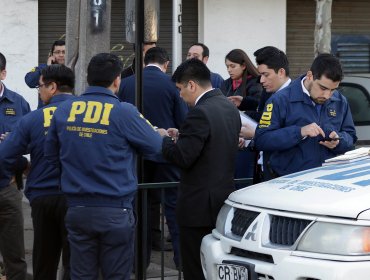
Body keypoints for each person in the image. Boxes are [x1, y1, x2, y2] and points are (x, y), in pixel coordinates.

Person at [44, 53, 167, 280]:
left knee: (81, 275)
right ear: (117, 80)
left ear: (88, 78)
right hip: (115, 209)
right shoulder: (124, 111)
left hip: (77, 207)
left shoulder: (65, 110)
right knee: (116, 275)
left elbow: (51, 156)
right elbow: (157, 147)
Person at [162, 58, 241, 280]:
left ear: (192, 85)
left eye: (180, 89)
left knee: (195, 267)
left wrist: (163, 140)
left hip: (197, 206)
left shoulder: (200, 112)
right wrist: (182, 135)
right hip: (221, 201)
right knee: (214, 268)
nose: (179, 95)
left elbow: (183, 157)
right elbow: (211, 145)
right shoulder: (228, 107)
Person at [0, 64, 75, 280]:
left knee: (44, 261)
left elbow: (4, 154)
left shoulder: (33, 118)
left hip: (43, 196)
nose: (39, 92)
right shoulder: (86, 114)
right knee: (75, 261)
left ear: (52, 87)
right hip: (77, 195)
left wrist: (22, 168)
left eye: (40, 86)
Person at [119, 46, 188, 268]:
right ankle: (181, 261)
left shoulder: (126, 83)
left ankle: (138, 263)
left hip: (136, 157)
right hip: (166, 154)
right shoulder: (172, 85)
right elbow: (183, 121)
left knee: (140, 210)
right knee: (174, 209)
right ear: (166, 63)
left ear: (144, 62)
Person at [255, 53, 357, 177]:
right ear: (310, 76)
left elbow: (351, 137)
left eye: (333, 90)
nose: (327, 95)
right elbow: (261, 140)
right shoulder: (280, 100)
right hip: (289, 183)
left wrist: (339, 141)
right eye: (323, 88)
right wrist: (299, 132)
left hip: (328, 181)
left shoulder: (340, 101)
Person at [234, 46, 291, 181]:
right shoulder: (271, 93)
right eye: (260, 75)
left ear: (281, 72)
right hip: (263, 166)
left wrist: (255, 134)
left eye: (266, 75)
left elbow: (290, 136)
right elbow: (263, 122)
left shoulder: (294, 98)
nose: (261, 80)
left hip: (281, 173)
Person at [0, 52, 30, 280]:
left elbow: (31, 143)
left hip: (8, 188)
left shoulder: (19, 103)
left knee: (15, 254)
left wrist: (23, 164)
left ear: (3, 73)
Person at [221, 49, 263, 182]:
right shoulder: (226, 83)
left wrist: (243, 107)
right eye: (227, 66)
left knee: (244, 180)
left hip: (249, 140)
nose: (229, 70)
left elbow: (259, 107)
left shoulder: (257, 83)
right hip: (230, 137)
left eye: (233, 66)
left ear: (244, 65)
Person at [25, 40, 66, 108]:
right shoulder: (43, 68)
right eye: (57, 52)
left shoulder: (75, 68)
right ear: (52, 54)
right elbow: (29, 81)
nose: (61, 55)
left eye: (64, 52)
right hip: (45, 111)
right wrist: (47, 67)